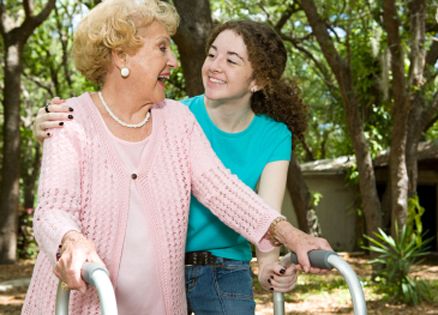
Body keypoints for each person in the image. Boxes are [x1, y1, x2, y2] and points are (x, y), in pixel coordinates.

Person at [26, 1, 332, 314]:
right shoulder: (69, 120)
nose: (173, 60)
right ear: (121, 55)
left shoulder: (177, 121)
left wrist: (293, 237)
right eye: (162, 48)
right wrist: (71, 240)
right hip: (82, 303)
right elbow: (52, 209)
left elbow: (223, 189)